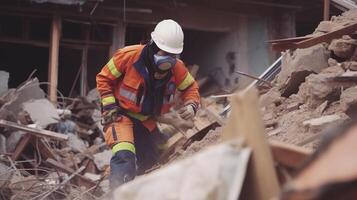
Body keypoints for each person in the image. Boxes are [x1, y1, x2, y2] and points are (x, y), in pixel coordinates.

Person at [96, 19, 200, 188]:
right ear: (153, 45)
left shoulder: (177, 68)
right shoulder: (129, 56)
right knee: (124, 155)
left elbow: (191, 87)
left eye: (172, 54)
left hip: (147, 121)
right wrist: (109, 106)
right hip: (120, 114)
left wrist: (191, 105)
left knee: (153, 161)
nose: (168, 58)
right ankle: (117, 195)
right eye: (164, 52)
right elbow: (104, 78)